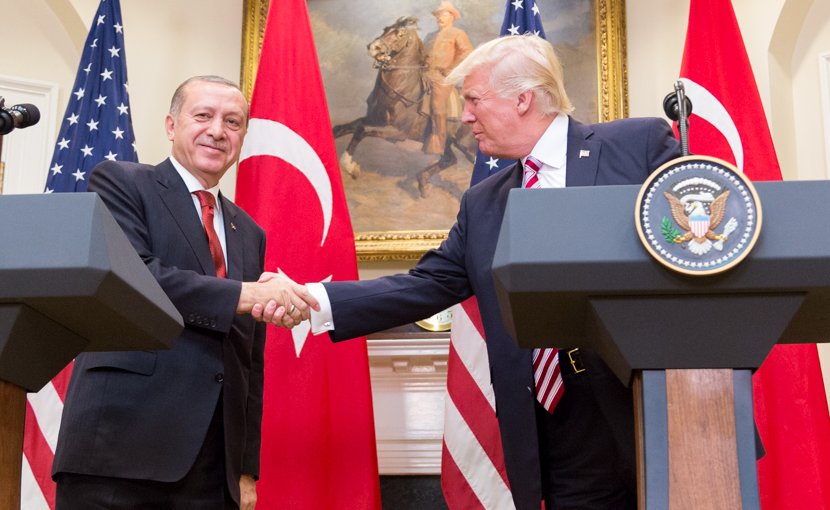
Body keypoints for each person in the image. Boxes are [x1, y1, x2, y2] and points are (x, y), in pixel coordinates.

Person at [261, 35, 681, 509]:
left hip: (646, 400)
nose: (463, 116)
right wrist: (311, 298)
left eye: (474, 100)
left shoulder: (636, 146)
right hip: (550, 420)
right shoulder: (485, 201)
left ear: (523, 98)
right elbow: (429, 283)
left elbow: (693, 250)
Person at [52, 75, 313, 510]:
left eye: (233, 122)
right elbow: (136, 278)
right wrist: (245, 295)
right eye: (203, 116)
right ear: (172, 125)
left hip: (212, 469)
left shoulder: (249, 233)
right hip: (119, 451)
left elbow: (250, 359)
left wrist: (245, 469)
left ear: (243, 138)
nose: (217, 130)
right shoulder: (121, 182)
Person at [422, 0, 473, 155]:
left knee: (437, 103)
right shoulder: (430, 36)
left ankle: (438, 141)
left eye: (443, 14)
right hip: (426, 74)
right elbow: (423, 56)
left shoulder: (458, 34)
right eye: (438, 14)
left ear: (452, 16)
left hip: (445, 77)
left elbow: (467, 53)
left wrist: (450, 69)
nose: (439, 17)